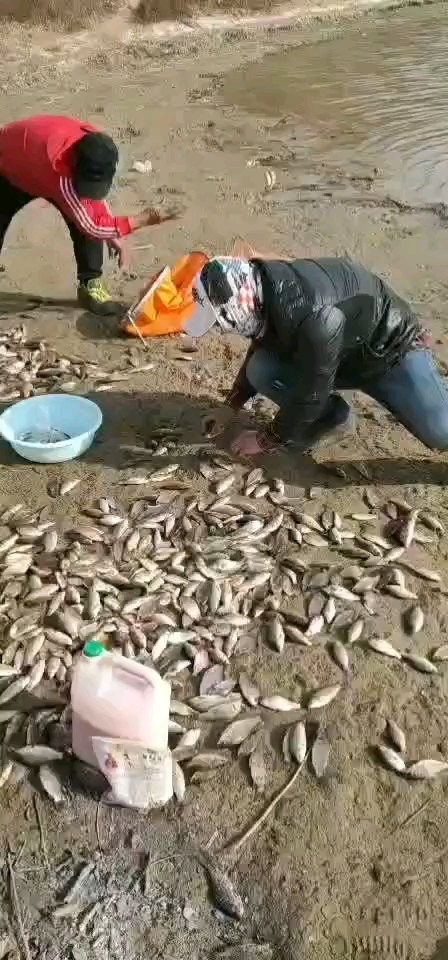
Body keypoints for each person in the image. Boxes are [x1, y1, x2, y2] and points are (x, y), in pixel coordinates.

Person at [182, 254, 448, 457]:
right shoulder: (262, 292)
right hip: (340, 349)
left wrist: (265, 440)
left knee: (440, 433)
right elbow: (261, 347)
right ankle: (334, 416)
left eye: (222, 323)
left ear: (240, 308)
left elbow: (312, 393)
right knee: (261, 368)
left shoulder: (315, 319)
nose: (222, 330)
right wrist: (231, 405)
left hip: (391, 352)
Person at [0, 115, 180, 315]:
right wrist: (144, 218)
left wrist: (113, 233)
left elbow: (94, 207)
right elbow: (92, 226)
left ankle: (90, 285)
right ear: (75, 166)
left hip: (35, 158)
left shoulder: (96, 148)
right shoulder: (61, 170)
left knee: (87, 214)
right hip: (8, 166)